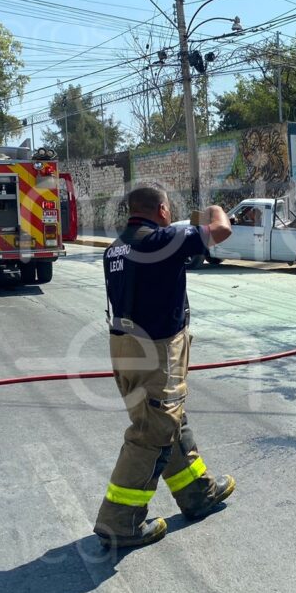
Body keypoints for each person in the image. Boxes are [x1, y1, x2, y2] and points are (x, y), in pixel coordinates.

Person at [95, 185, 234, 548]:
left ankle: (197, 493)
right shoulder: (161, 241)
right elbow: (221, 229)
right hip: (155, 352)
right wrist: (211, 208)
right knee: (151, 433)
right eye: (169, 210)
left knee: (169, 420)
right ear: (161, 210)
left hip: (124, 347)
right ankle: (119, 522)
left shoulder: (115, 248)